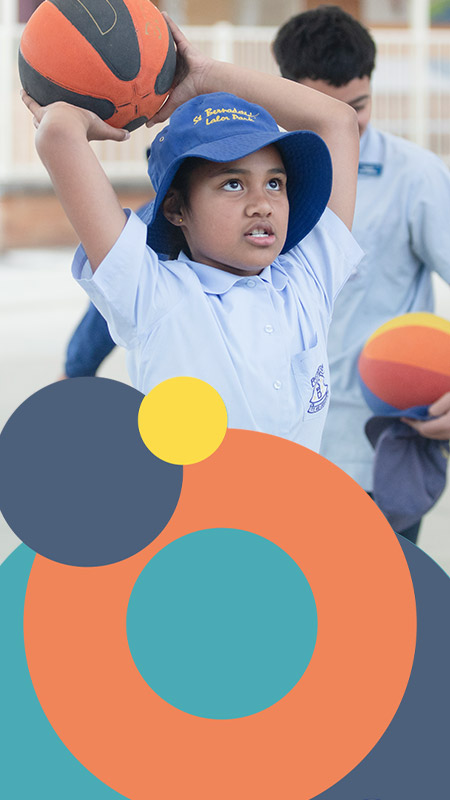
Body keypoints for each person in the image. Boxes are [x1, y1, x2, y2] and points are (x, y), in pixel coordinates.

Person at [22, 13, 362, 453]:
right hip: (198, 525)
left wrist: (205, 76)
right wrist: (61, 117)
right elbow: (59, 134)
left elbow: (337, 121)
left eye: (275, 183)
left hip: (300, 521)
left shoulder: (306, 279)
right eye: (233, 184)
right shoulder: (152, 295)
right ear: (177, 208)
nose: (262, 203)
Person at [272, 5, 450, 540]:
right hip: (277, 454)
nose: (343, 124)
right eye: (324, 109)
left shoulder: (415, 176)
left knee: (383, 617)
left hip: (378, 453)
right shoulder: (255, 176)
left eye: (358, 106)